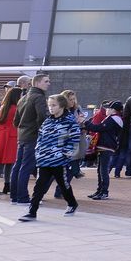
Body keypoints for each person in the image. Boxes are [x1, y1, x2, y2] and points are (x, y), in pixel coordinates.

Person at [17, 92, 81, 221]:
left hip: (59, 161)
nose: (51, 108)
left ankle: (72, 203)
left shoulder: (69, 121)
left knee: (63, 185)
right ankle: (32, 212)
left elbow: (74, 139)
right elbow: (40, 138)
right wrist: (38, 151)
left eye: (54, 105)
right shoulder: (47, 121)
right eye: (49, 105)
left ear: (62, 105)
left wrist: (66, 153)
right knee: (39, 186)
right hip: (44, 159)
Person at [12, 73, 51, 203]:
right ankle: (22, 197)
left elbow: (16, 121)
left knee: (18, 166)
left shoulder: (22, 98)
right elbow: (42, 117)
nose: (48, 83)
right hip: (33, 136)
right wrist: (44, 133)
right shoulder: (38, 97)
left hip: (23, 136)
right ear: (38, 83)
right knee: (26, 167)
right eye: (46, 81)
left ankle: (15, 195)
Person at [85, 100, 125, 200]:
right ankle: (99, 190)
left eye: (109, 108)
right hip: (104, 146)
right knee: (100, 170)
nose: (106, 109)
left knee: (103, 170)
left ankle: (104, 192)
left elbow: (99, 128)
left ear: (114, 110)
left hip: (106, 146)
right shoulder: (113, 118)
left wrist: (85, 123)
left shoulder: (114, 119)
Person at [0, 80, 23, 194]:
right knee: (7, 163)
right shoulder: (15, 109)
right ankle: (2, 185)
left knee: (2, 163)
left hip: (2, 137)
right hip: (11, 137)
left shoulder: (4, 107)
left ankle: (5, 185)